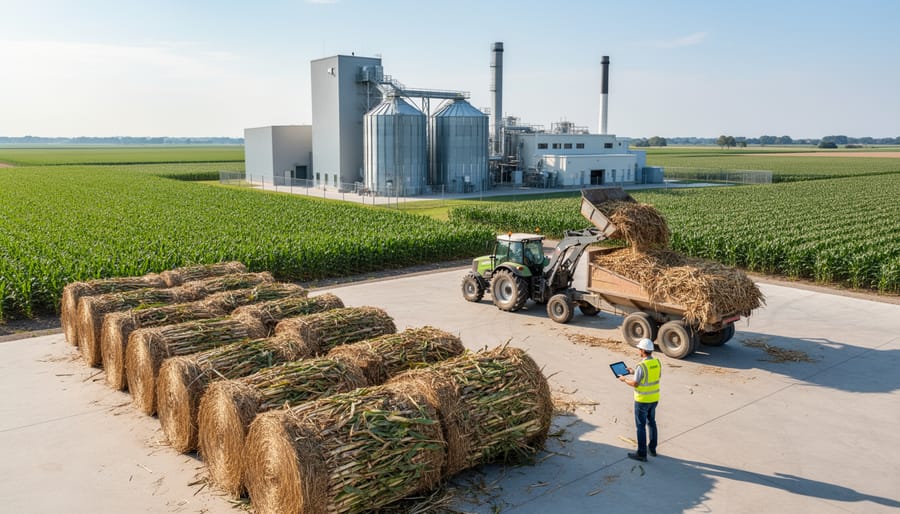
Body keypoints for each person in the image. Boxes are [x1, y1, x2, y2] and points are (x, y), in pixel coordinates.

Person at [618, 337, 660, 462]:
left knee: (640, 426)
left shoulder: (641, 365)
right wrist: (633, 372)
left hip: (642, 400)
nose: (639, 351)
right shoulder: (657, 363)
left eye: (639, 349)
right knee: (651, 422)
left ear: (642, 351)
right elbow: (651, 377)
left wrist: (624, 379)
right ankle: (652, 449)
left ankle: (641, 454)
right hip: (654, 399)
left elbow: (635, 384)